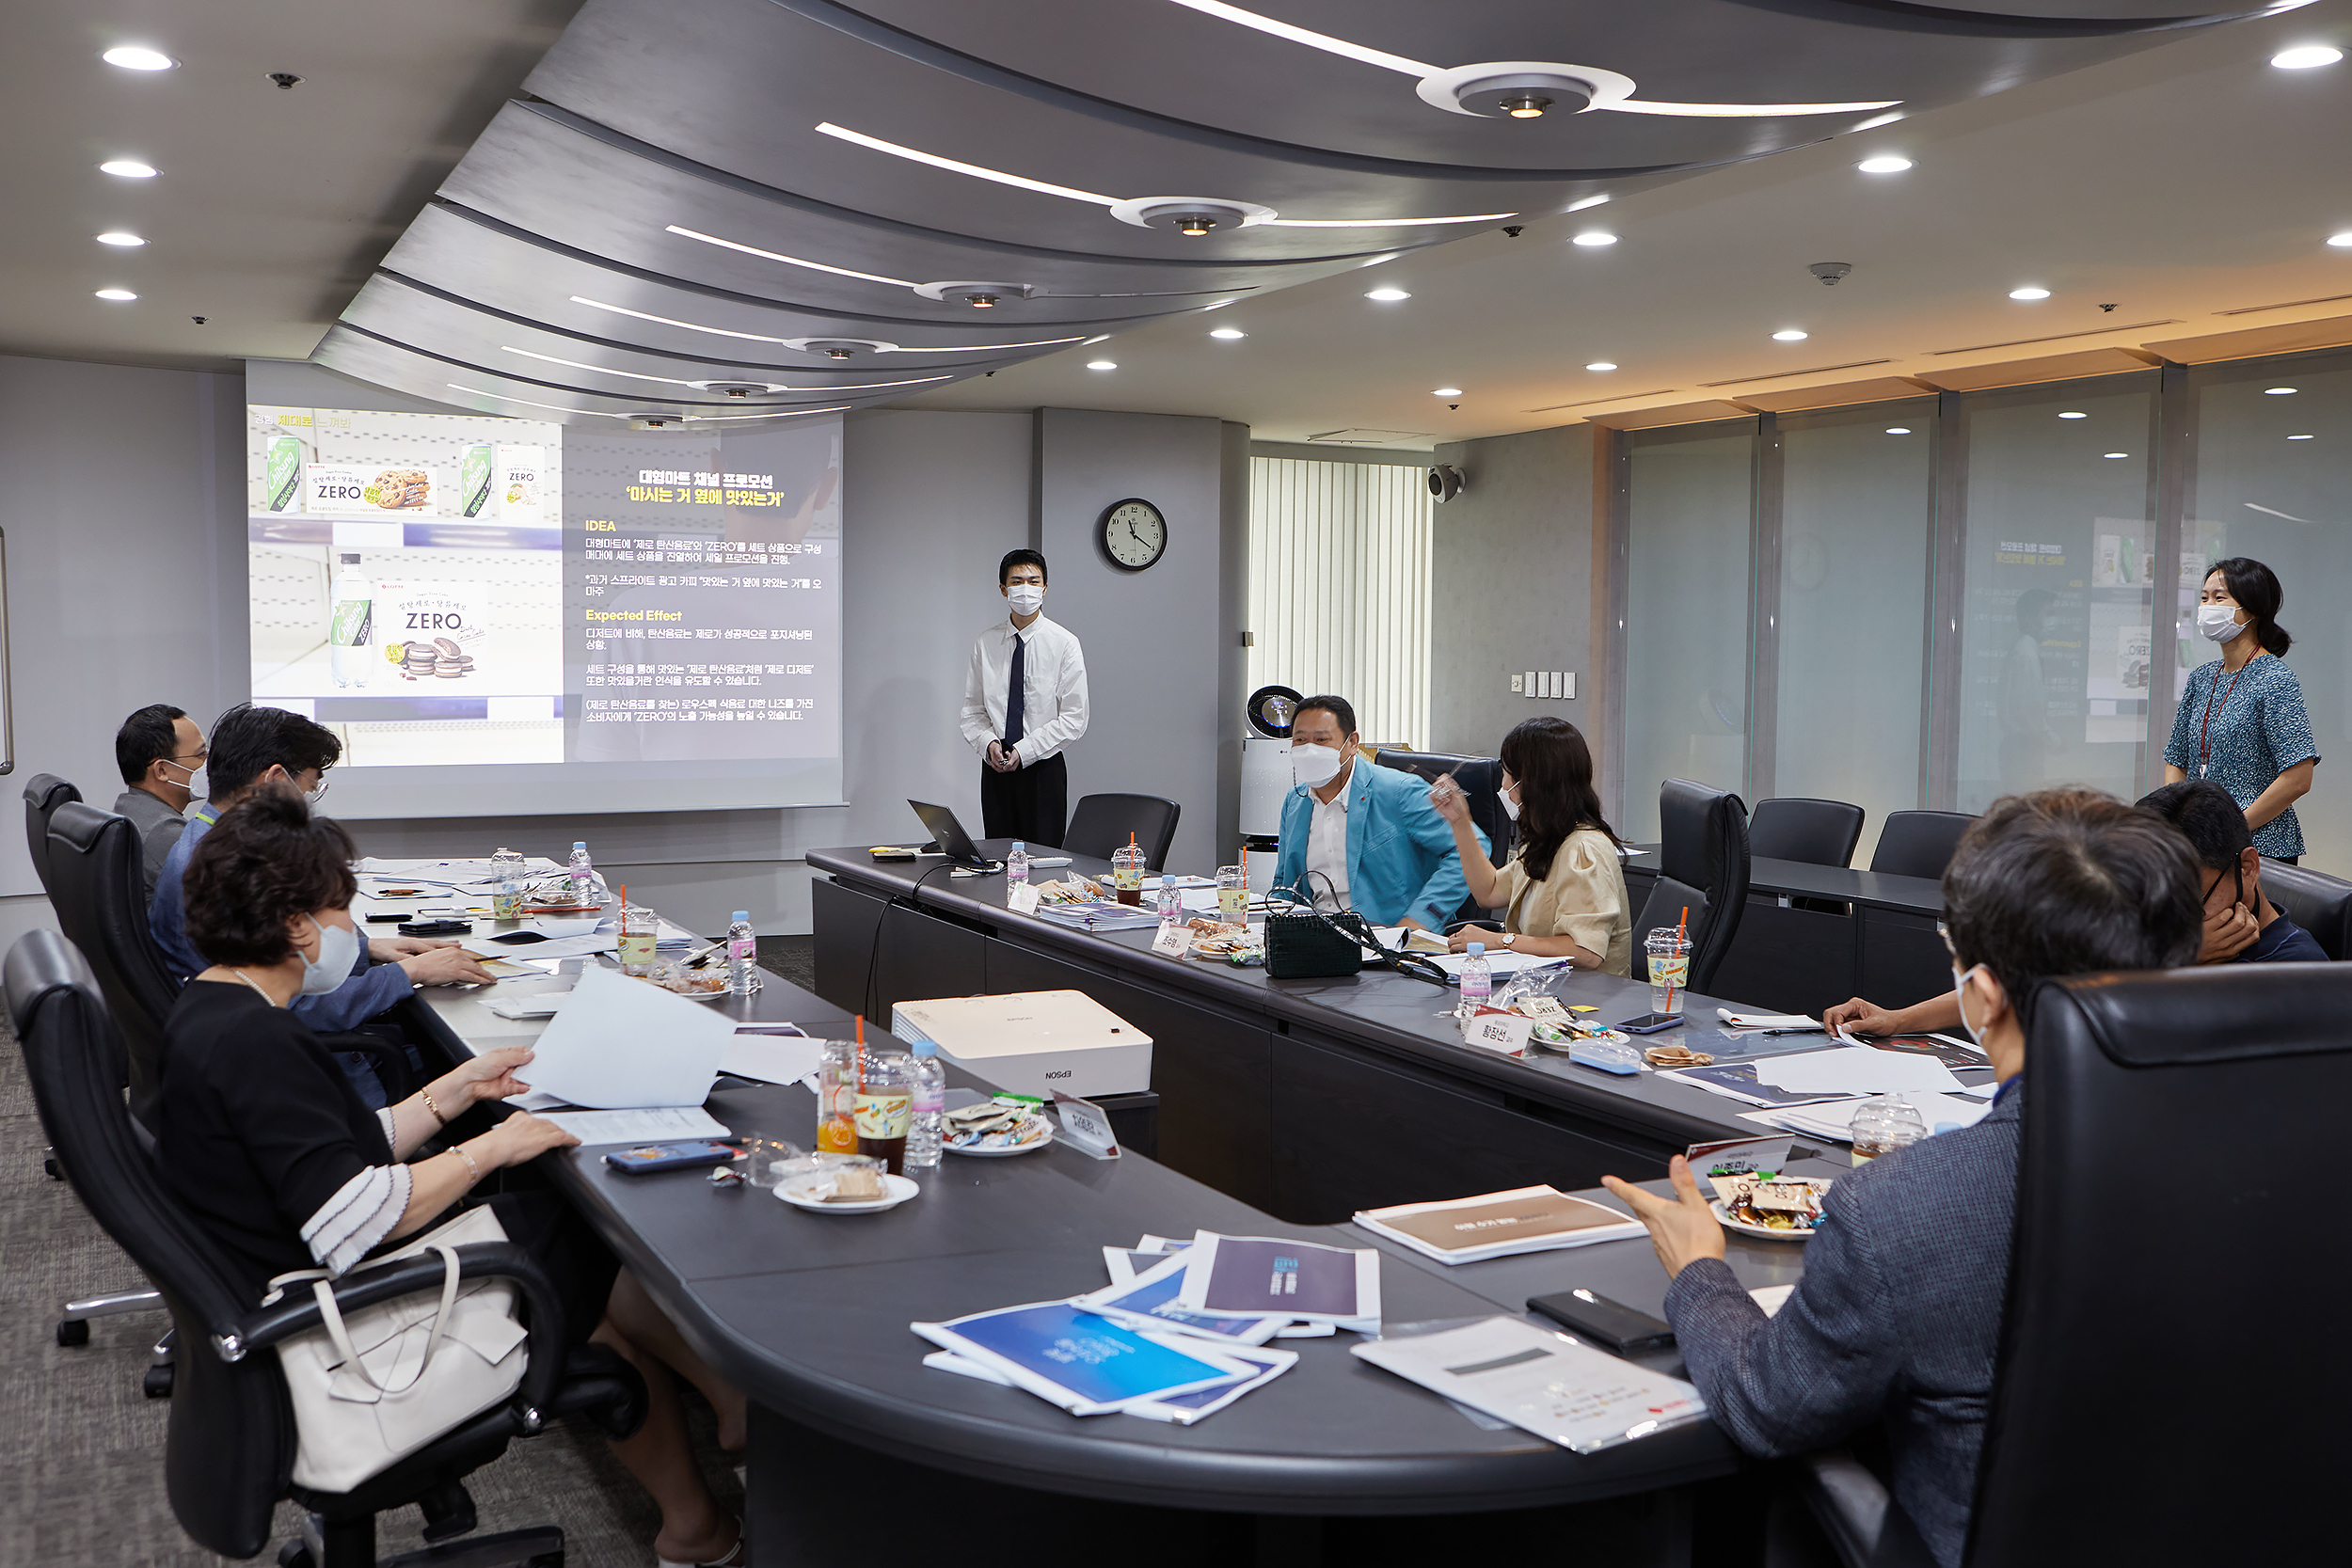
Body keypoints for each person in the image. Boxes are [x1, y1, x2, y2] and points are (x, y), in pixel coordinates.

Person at [1604, 789, 2203, 1567]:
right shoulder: (2287, 1178)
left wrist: (1700, 1272)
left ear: (1982, 996)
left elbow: (1766, 1403)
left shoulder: (1906, 1210)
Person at [163, 793, 746, 1566]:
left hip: (279, 1291)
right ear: (298, 926)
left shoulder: (211, 1008)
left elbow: (321, 1151)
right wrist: (492, 1147)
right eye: (341, 912)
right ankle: (728, 1438)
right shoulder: (258, 1041)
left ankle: (708, 1484)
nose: (352, 934)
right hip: (336, 1326)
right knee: (584, 1228)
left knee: (569, 1234)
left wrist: (455, 1090)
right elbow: (361, 1211)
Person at [150, 704, 495, 1107]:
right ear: (275, 779)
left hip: (263, 1053)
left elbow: (275, 967)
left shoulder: (208, 842)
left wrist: (369, 949)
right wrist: (410, 973)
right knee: (471, 1064)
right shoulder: (227, 869)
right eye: (311, 785)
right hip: (302, 1068)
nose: (310, 798)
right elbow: (300, 1006)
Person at [1823, 775, 2325, 1037]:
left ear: (2248, 868)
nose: (2166, 915)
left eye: (2187, 899)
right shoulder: (2169, 933)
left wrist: (2178, 965)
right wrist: (1897, 1019)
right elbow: (2039, 981)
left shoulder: (2299, 974)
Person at [1426, 717, 1632, 974]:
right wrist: (1459, 821)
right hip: (1546, 986)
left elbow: (1585, 951)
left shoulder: (1582, 848)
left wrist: (1500, 941)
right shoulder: (1548, 840)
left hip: (1587, 995)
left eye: (1508, 775)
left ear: (1533, 783)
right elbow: (1489, 891)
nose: (1504, 786)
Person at [1269, 695, 1478, 932]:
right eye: (1300, 740)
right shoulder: (1295, 801)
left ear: (1352, 742)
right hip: (1314, 935)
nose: (1310, 749)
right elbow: (1284, 881)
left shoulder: (1399, 791)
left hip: (1388, 937)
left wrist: (1421, 920)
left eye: (1321, 740)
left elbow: (1470, 847)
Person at [2163, 557, 2318, 863]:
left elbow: (2298, 778)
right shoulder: (2202, 677)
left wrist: (2233, 829)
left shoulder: (2275, 678)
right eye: (2204, 598)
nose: (2208, 607)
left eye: (2219, 598)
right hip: (2199, 845)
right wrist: (2178, 823)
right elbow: (2176, 760)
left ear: (2253, 608)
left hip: (2258, 848)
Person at [960, 548, 1088, 847]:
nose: (1025, 589)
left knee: (1043, 857)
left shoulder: (1064, 643)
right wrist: (988, 743)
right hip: (996, 765)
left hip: (1043, 766)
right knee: (998, 855)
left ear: (1045, 588)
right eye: (1017, 582)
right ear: (1003, 589)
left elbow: (1075, 717)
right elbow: (973, 711)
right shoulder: (986, 643)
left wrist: (1026, 750)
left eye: (1033, 581)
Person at [112, 703, 207, 895]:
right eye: (201, 754)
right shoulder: (164, 833)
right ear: (162, 770)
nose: (209, 763)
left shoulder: (129, 809)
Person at [1997, 589, 2058, 792]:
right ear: (2030, 618)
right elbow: (2030, 709)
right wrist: (2053, 741)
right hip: (2023, 749)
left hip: (2023, 748)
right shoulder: (2026, 654)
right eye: (2048, 614)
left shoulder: (2026, 650)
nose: (2053, 620)